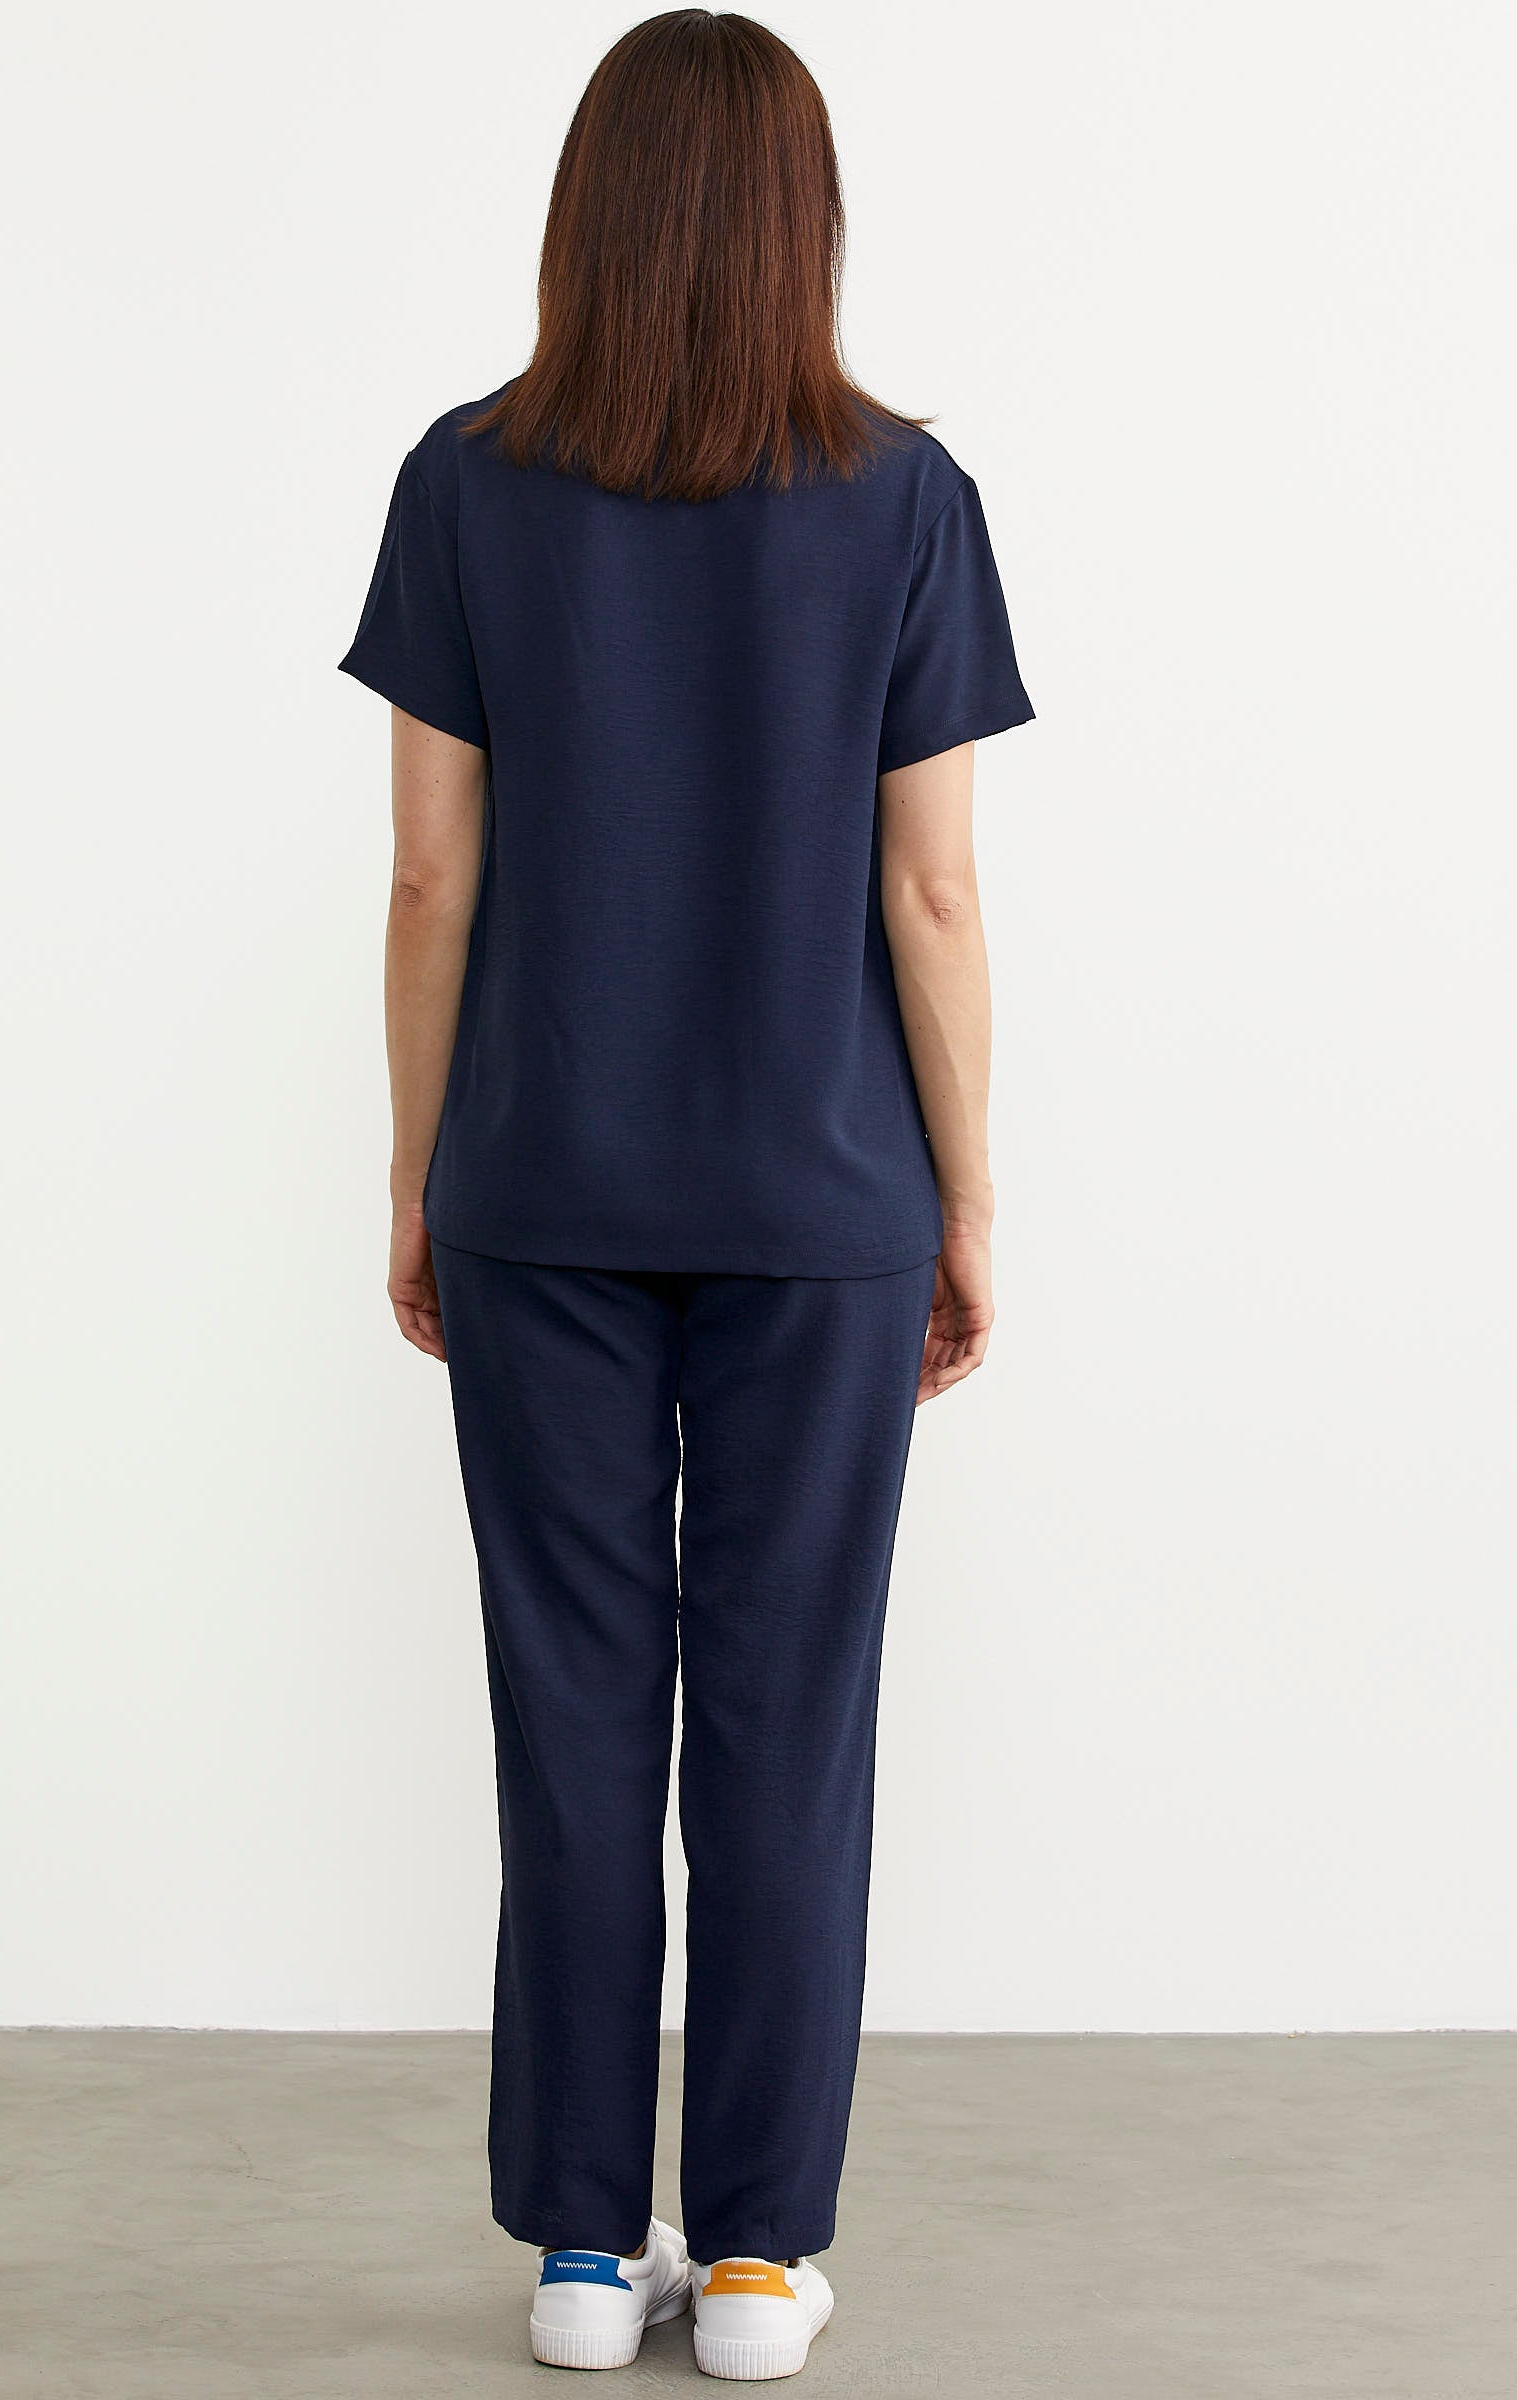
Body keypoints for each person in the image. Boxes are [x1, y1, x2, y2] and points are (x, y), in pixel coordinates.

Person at [338, 9, 1031, 2380]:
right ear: (801, 223)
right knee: (782, 1732)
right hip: (822, 1202)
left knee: (568, 1719)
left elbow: (430, 877)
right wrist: (965, 1198)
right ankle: (747, 2259)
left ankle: (570, 2250)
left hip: (536, 1182)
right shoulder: (903, 496)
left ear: (589, 216)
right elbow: (927, 895)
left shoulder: (464, 481)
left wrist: (417, 1171)